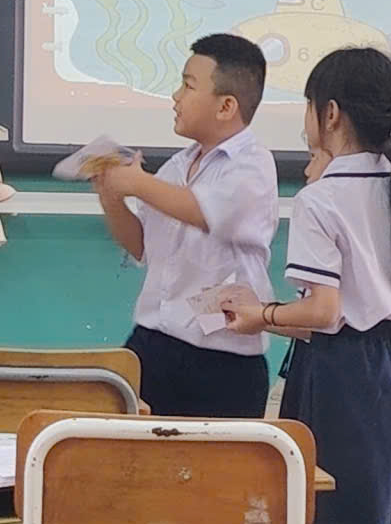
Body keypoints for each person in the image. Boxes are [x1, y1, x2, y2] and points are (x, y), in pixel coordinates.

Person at [219, 47, 391, 524]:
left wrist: (261, 314)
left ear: (330, 114)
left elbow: (324, 312)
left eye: (308, 105)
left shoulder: (320, 199)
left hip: (344, 375)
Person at [87, 34, 279, 419]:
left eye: (188, 86)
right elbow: (141, 245)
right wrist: (111, 196)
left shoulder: (253, 164)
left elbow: (204, 212)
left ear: (226, 106)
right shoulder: (177, 165)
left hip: (221, 363)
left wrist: (137, 182)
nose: (175, 97)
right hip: (151, 345)